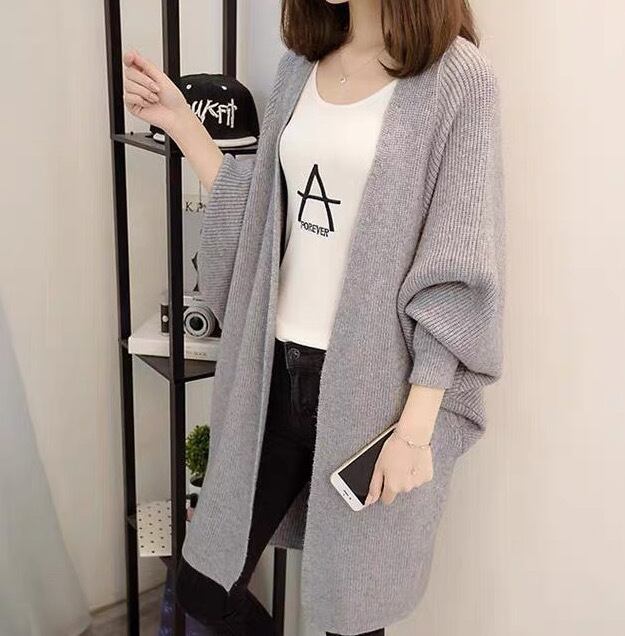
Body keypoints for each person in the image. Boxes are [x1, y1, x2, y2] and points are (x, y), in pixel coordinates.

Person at [122, 0, 505, 634]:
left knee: (350, 615)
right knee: (205, 586)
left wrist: (414, 431)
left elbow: (457, 261)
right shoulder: (300, 67)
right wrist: (181, 123)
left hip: (373, 398)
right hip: (272, 379)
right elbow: (261, 214)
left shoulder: (458, 79)